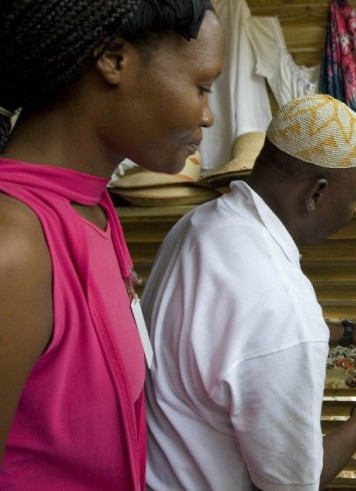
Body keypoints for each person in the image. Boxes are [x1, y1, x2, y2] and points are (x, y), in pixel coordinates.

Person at [0, 1, 224, 488]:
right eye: (202, 87)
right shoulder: (14, 246)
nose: (207, 116)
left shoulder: (95, 210)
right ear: (115, 59)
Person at [142, 94, 356, 490]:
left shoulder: (196, 226)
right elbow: (294, 482)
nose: (352, 212)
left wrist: (351, 333)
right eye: (354, 199)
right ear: (316, 193)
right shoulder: (282, 303)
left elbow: (225, 335)